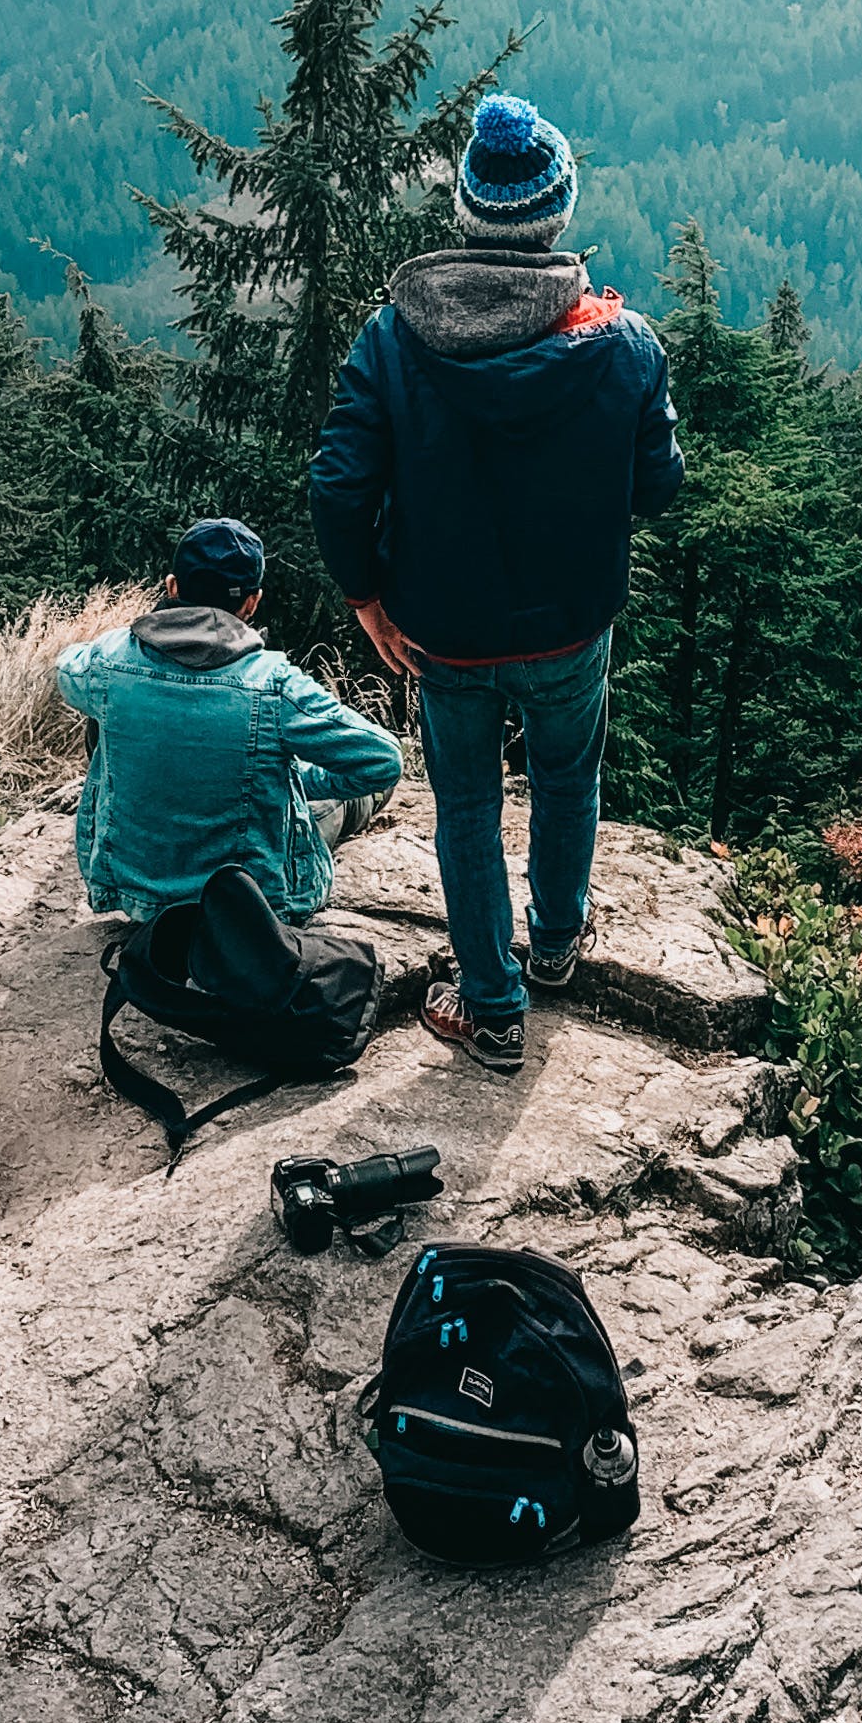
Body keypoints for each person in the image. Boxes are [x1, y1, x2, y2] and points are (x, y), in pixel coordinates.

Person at [308, 94, 682, 1073]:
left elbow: (340, 487)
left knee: (468, 804)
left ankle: (492, 1009)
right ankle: (556, 946)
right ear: (555, 217)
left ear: (470, 217)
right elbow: (660, 488)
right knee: (568, 778)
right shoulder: (626, 344)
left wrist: (366, 598)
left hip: (442, 631)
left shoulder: (393, 340)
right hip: (570, 625)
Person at [57, 513, 405, 929]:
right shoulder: (274, 684)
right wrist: (289, 779)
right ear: (252, 601)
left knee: (105, 714)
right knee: (354, 798)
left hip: (137, 893)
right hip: (249, 903)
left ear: (172, 587)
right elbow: (382, 760)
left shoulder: (110, 659)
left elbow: (66, 666)